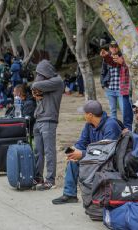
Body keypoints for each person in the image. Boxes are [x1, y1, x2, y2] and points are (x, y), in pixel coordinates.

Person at [51, 100, 122, 204]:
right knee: (73, 159)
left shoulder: (111, 125)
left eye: (84, 113)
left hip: (110, 160)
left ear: (90, 115)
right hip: (95, 157)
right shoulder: (89, 125)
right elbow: (82, 142)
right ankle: (70, 194)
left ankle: (94, 194)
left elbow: (107, 153)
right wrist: (72, 150)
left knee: (78, 157)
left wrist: (83, 154)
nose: (83, 115)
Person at [31, 60, 65, 190]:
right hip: (38, 119)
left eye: (40, 73)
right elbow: (33, 87)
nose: (38, 76)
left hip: (49, 120)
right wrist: (35, 91)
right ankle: (38, 177)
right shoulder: (46, 83)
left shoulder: (57, 81)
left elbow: (34, 85)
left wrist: (36, 88)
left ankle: (50, 180)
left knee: (49, 151)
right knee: (38, 152)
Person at [100, 41, 133, 130]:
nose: (114, 48)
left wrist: (121, 61)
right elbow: (104, 71)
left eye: (115, 47)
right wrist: (103, 83)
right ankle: (114, 129)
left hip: (122, 89)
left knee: (125, 111)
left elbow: (118, 63)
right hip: (110, 88)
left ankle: (127, 130)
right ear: (109, 48)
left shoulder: (124, 57)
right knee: (112, 111)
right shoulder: (108, 59)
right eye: (112, 47)